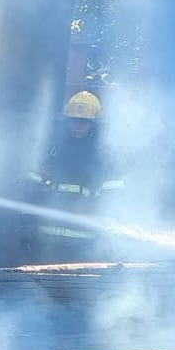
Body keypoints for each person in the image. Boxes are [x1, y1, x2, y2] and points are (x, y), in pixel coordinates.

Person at [22, 89, 123, 262]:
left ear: (94, 125)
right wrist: (27, 227)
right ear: (67, 122)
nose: (78, 126)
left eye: (84, 122)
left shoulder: (104, 160)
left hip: (83, 247)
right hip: (44, 242)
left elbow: (113, 201)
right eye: (75, 121)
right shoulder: (51, 152)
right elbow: (30, 191)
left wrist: (102, 236)